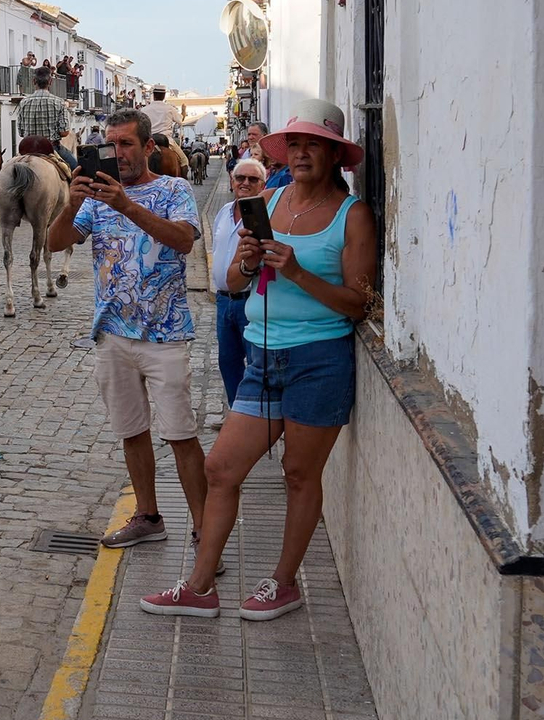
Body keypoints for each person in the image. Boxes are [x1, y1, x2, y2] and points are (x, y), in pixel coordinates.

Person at [142, 98, 375, 621]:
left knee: (298, 473)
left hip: (319, 358)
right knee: (222, 468)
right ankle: (201, 587)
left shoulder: (351, 215)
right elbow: (231, 282)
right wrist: (248, 265)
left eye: (312, 144)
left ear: (334, 153)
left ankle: (283, 583)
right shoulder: (268, 202)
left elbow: (360, 303)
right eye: (293, 144)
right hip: (262, 355)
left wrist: (296, 273)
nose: (299, 153)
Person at [45, 109, 206, 552]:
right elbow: (55, 243)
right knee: (131, 431)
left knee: (180, 433)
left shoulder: (174, 188)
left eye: (127, 144)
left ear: (149, 147)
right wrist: (74, 202)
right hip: (113, 334)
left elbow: (184, 241)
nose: (117, 153)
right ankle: (148, 515)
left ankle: (205, 531)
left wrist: (127, 206)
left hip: (165, 334)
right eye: (111, 145)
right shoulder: (94, 200)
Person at [210, 158, 267, 413]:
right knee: (228, 362)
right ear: (232, 181)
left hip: (249, 299)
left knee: (256, 363)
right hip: (223, 301)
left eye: (252, 179)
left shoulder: (264, 215)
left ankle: (255, 415)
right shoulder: (223, 211)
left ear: (262, 184)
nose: (245, 183)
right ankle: (236, 413)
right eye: (240, 178)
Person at [17, 66, 77, 170]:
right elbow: (64, 132)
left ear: (34, 81)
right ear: (50, 81)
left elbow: (21, 132)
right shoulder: (58, 102)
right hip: (51, 148)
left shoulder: (23, 102)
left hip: (27, 149)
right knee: (77, 167)